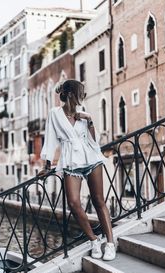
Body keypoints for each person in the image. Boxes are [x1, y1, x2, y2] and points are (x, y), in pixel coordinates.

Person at [38, 79, 116, 261]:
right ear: (72, 94)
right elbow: (50, 139)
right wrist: (47, 165)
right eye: (82, 92)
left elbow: (93, 140)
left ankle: (110, 243)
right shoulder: (55, 114)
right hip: (71, 161)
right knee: (73, 202)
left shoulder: (83, 111)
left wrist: (89, 120)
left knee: (98, 200)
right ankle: (94, 240)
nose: (84, 96)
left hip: (91, 158)